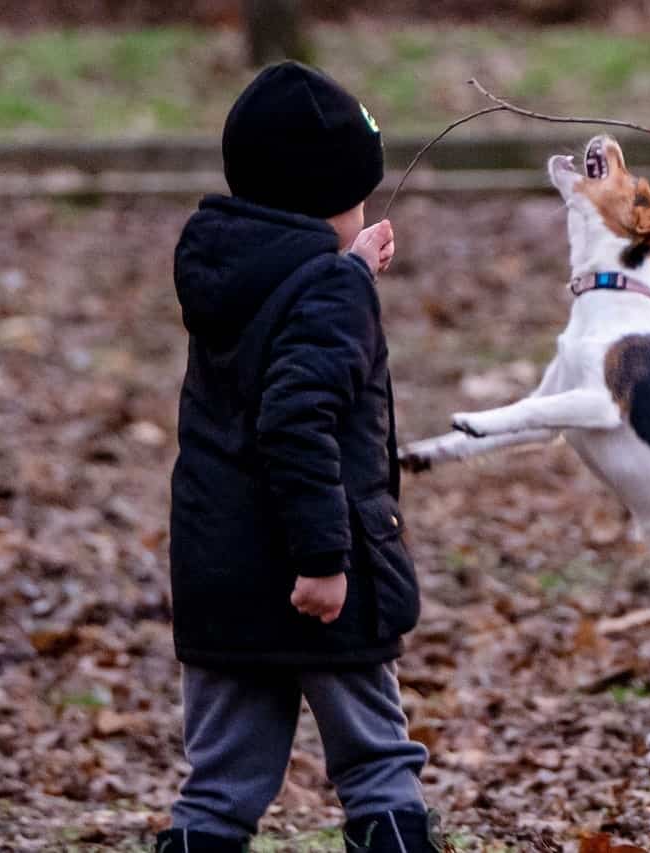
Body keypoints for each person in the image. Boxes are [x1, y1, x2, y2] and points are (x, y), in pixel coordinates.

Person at [160, 61, 441, 853]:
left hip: (221, 573)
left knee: (217, 788)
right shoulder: (331, 292)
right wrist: (325, 556)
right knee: (379, 765)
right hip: (320, 578)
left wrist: (344, 270)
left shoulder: (226, 268)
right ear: (327, 203)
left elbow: (281, 319)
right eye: (356, 199)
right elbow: (295, 418)